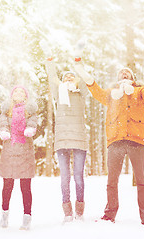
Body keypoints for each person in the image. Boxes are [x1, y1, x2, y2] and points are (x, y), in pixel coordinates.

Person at [74, 58, 144, 226]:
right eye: (121, 73)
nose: (124, 73)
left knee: (141, 180)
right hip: (115, 140)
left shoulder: (139, 91)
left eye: (127, 72)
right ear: (118, 78)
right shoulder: (111, 94)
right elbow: (96, 91)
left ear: (132, 77)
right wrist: (85, 75)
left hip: (136, 140)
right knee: (112, 181)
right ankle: (109, 214)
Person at [44, 57, 89, 222]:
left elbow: (84, 79)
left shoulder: (81, 93)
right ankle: (67, 212)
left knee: (78, 176)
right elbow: (52, 77)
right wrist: (50, 62)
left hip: (79, 138)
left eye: (71, 76)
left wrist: (78, 64)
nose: (68, 78)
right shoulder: (58, 93)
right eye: (65, 77)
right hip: (62, 139)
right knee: (65, 177)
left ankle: (80, 210)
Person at [0, 85, 38, 230]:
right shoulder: (5, 111)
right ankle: (4, 215)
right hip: (9, 150)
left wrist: (31, 129)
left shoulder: (31, 111)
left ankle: (27, 217)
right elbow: (2, 124)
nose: (19, 93)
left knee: (25, 187)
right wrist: (3, 131)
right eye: (16, 91)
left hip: (25, 152)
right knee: (7, 185)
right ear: (12, 95)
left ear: (26, 96)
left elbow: (33, 122)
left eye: (22, 91)